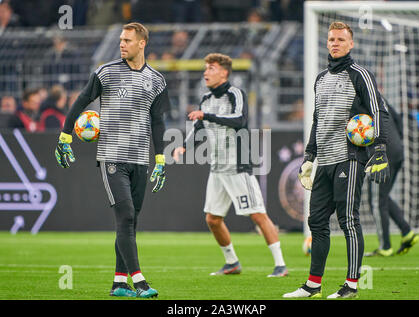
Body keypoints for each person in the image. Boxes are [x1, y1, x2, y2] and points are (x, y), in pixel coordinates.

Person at [55, 22, 170, 298]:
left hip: (141, 160)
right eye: (121, 39)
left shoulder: (156, 80)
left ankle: (119, 283)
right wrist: (65, 136)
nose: (122, 44)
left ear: (142, 43)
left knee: (131, 222)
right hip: (112, 158)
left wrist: (161, 159)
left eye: (128, 40)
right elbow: (81, 100)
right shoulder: (106, 72)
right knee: (126, 215)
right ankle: (139, 282)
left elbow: (158, 121)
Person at [283, 22, 390, 299]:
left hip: (350, 158)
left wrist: (379, 148)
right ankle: (313, 285)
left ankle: (351, 286)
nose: (335, 43)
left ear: (351, 44)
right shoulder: (320, 78)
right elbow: (318, 120)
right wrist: (309, 157)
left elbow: (379, 111)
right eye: (331, 39)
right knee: (316, 222)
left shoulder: (360, 74)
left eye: (341, 39)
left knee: (349, 221)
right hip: (325, 161)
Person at [173, 53, 288, 277]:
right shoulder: (205, 99)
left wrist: (207, 115)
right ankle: (232, 262)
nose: (206, 72)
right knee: (213, 219)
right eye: (205, 68)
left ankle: (280, 264)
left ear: (224, 72)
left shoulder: (236, 94)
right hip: (217, 169)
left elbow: (239, 121)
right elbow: (199, 127)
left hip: (238, 166)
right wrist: (184, 147)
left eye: (212, 68)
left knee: (257, 215)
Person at [365, 96, 419, 257]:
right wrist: (397, 142)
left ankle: (385, 246)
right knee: (382, 197)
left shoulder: (358, 98)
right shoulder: (379, 98)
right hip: (397, 151)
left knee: (376, 200)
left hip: (383, 154)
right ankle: (407, 232)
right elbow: (397, 118)